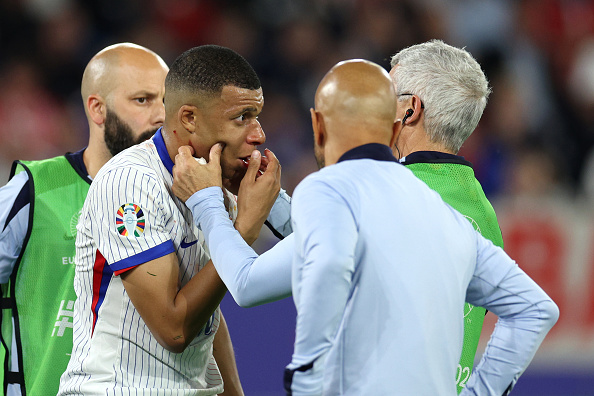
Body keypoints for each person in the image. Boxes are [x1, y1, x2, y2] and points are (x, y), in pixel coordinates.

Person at [173, 59, 558, 395]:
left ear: (405, 113)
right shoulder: (461, 212)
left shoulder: (335, 189)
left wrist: (206, 200)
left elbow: (258, 279)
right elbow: (535, 309)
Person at [57, 44, 289, 395]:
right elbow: (175, 329)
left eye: (257, 115)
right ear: (189, 118)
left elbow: (207, 317)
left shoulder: (214, 183)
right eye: (241, 117)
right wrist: (244, 229)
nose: (258, 134)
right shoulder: (131, 182)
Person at [0, 43, 169, 396]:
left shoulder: (174, 200)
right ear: (97, 108)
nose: (160, 116)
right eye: (143, 100)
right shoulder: (35, 191)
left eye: (165, 101)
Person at [389, 39, 504, 393]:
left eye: (383, 94)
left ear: (411, 109)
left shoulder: (387, 193)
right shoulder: (484, 212)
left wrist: (212, 197)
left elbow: (254, 281)